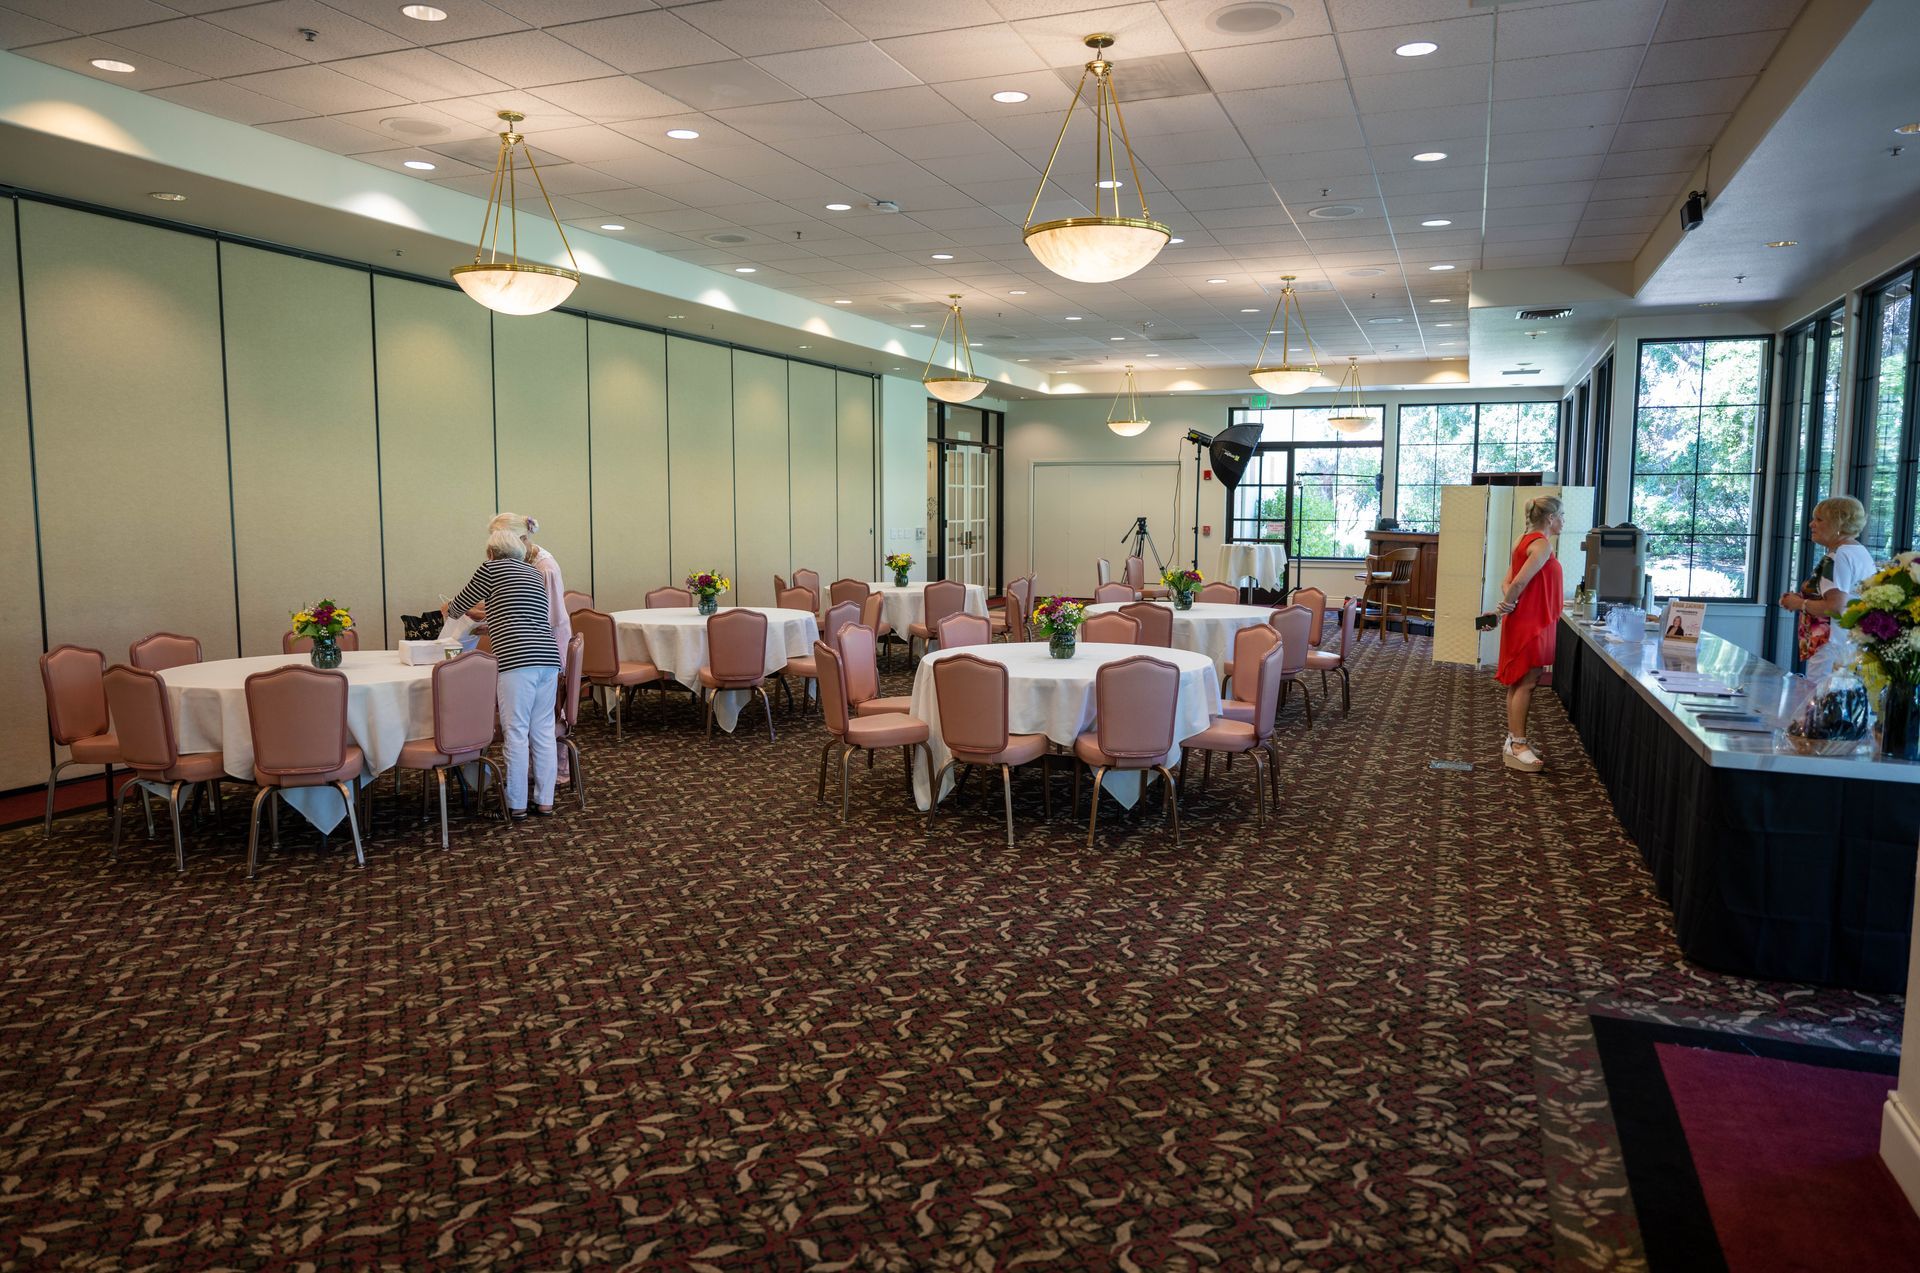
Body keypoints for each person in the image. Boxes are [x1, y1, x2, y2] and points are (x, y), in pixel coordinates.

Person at [446, 528, 562, 820]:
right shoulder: (532, 573)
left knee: (516, 732)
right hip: (548, 658)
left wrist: (447, 608)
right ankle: (545, 801)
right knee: (543, 731)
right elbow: (524, 613)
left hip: (517, 661)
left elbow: (460, 605)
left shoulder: (491, 568)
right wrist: (490, 624)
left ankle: (516, 805)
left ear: (491, 552)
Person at [490, 512, 573, 786]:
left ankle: (549, 773)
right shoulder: (521, 561)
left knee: (542, 718)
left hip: (547, 647)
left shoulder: (543, 567)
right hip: (537, 646)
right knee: (530, 718)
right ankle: (528, 775)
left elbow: (548, 617)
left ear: (521, 539)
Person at [1494, 495, 1565, 773]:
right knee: (1527, 682)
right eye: (1562, 515)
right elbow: (1519, 581)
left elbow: (1507, 581)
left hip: (1527, 618)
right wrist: (1506, 607)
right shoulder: (1542, 545)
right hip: (1531, 622)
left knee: (1521, 681)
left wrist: (1509, 604)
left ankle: (1515, 739)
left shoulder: (1522, 541)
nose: (1563, 521)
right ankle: (1518, 744)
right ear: (1550, 518)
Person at [1779, 495, 1874, 677]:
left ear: (1838, 523)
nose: (1811, 524)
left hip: (1832, 647)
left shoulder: (1837, 556)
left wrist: (1799, 604)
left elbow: (1835, 607)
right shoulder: (1858, 551)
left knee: (1822, 699)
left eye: (1819, 519)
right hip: (1850, 646)